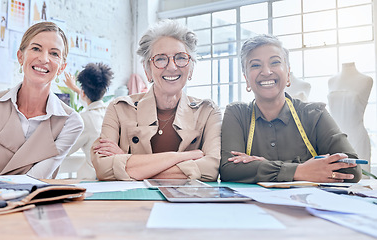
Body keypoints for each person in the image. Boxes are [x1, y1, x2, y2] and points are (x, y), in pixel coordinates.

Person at [91, 20, 222, 181]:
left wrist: (127, 161)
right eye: (160, 59)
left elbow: (210, 170)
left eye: (181, 57)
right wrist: (185, 157)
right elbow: (104, 169)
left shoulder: (208, 112)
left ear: (191, 69)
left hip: (188, 203)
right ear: (148, 70)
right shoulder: (118, 109)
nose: (172, 67)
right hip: (131, 203)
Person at [220, 34, 361, 183]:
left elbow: (352, 168)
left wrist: (263, 166)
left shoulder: (315, 114)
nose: (266, 71)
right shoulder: (236, 114)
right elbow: (229, 169)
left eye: (275, 62)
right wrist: (302, 170)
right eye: (255, 65)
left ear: (288, 73)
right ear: (246, 78)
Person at [0, 22, 83, 179]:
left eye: (54, 54)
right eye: (36, 48)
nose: (44, 59)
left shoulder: (70, 122)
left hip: (34, 200)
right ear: (20, 56)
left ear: (61, 67)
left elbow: (32, 180)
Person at [63, 63, 113, 179]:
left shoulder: (84, 119)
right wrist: (76, 88)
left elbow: (66, 149)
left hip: (94, 179)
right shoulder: (111, 112)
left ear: (83, 93)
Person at [328, 62, 373, 172]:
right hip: (335, 141)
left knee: (361, 181)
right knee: (334, 181)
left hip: (357, 138)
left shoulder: (366, 80)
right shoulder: (331, 81)